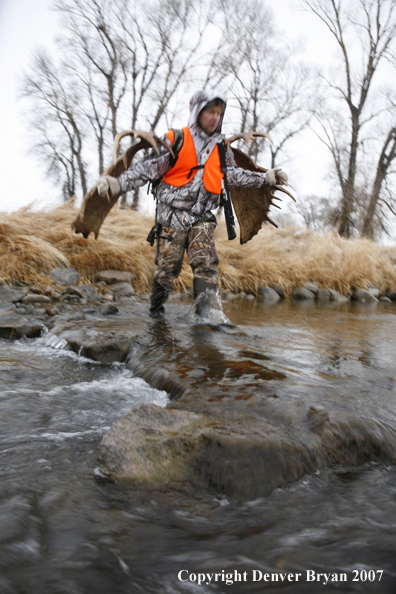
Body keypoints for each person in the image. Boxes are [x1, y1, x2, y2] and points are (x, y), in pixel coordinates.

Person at [97, 90, 287, 316]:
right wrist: (119, 184)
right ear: (197, 111)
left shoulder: (221, 146)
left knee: (206, 265)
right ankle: (155, 311)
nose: (215, 117)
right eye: (210, 111)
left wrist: (264, 178)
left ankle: (205, 320)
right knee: (168, 269)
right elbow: (147, 168)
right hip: (171, 216)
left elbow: (233, 174)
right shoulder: (175, 139)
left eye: (219, 113)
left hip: (203, 217)